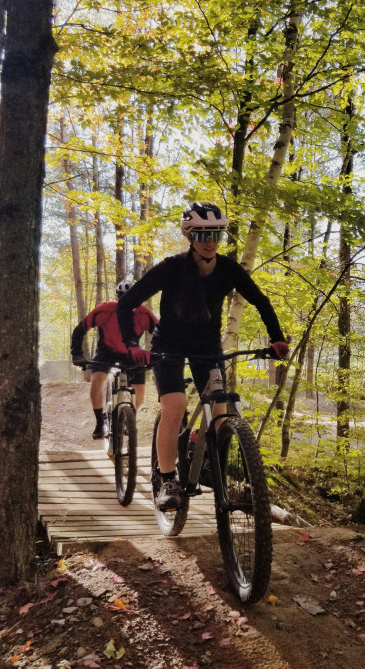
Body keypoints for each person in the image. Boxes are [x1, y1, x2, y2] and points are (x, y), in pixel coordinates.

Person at [117, 201, 289, 511]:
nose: (210, 242)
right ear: (188, 236)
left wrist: (277, 338)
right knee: (176, 405)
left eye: (216, 236)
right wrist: (132, 344)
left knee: (221, 411)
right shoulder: (171, 267)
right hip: (168, 345)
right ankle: (167, 480)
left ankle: (206, 460)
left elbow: (260, 301)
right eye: (201, 236)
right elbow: (126, 302)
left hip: (207, 347)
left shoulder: (228, 268)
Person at [71, 279, 158, 441]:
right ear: (117, 299)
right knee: (97, 380)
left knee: (139, 389)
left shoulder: (143, 313)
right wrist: (77, 354)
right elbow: (79, 330)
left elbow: (162, 334)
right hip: (107, 352)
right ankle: (99, 422)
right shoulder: (105, 310)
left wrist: (156, 355)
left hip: (132, 353)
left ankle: (129, 419)